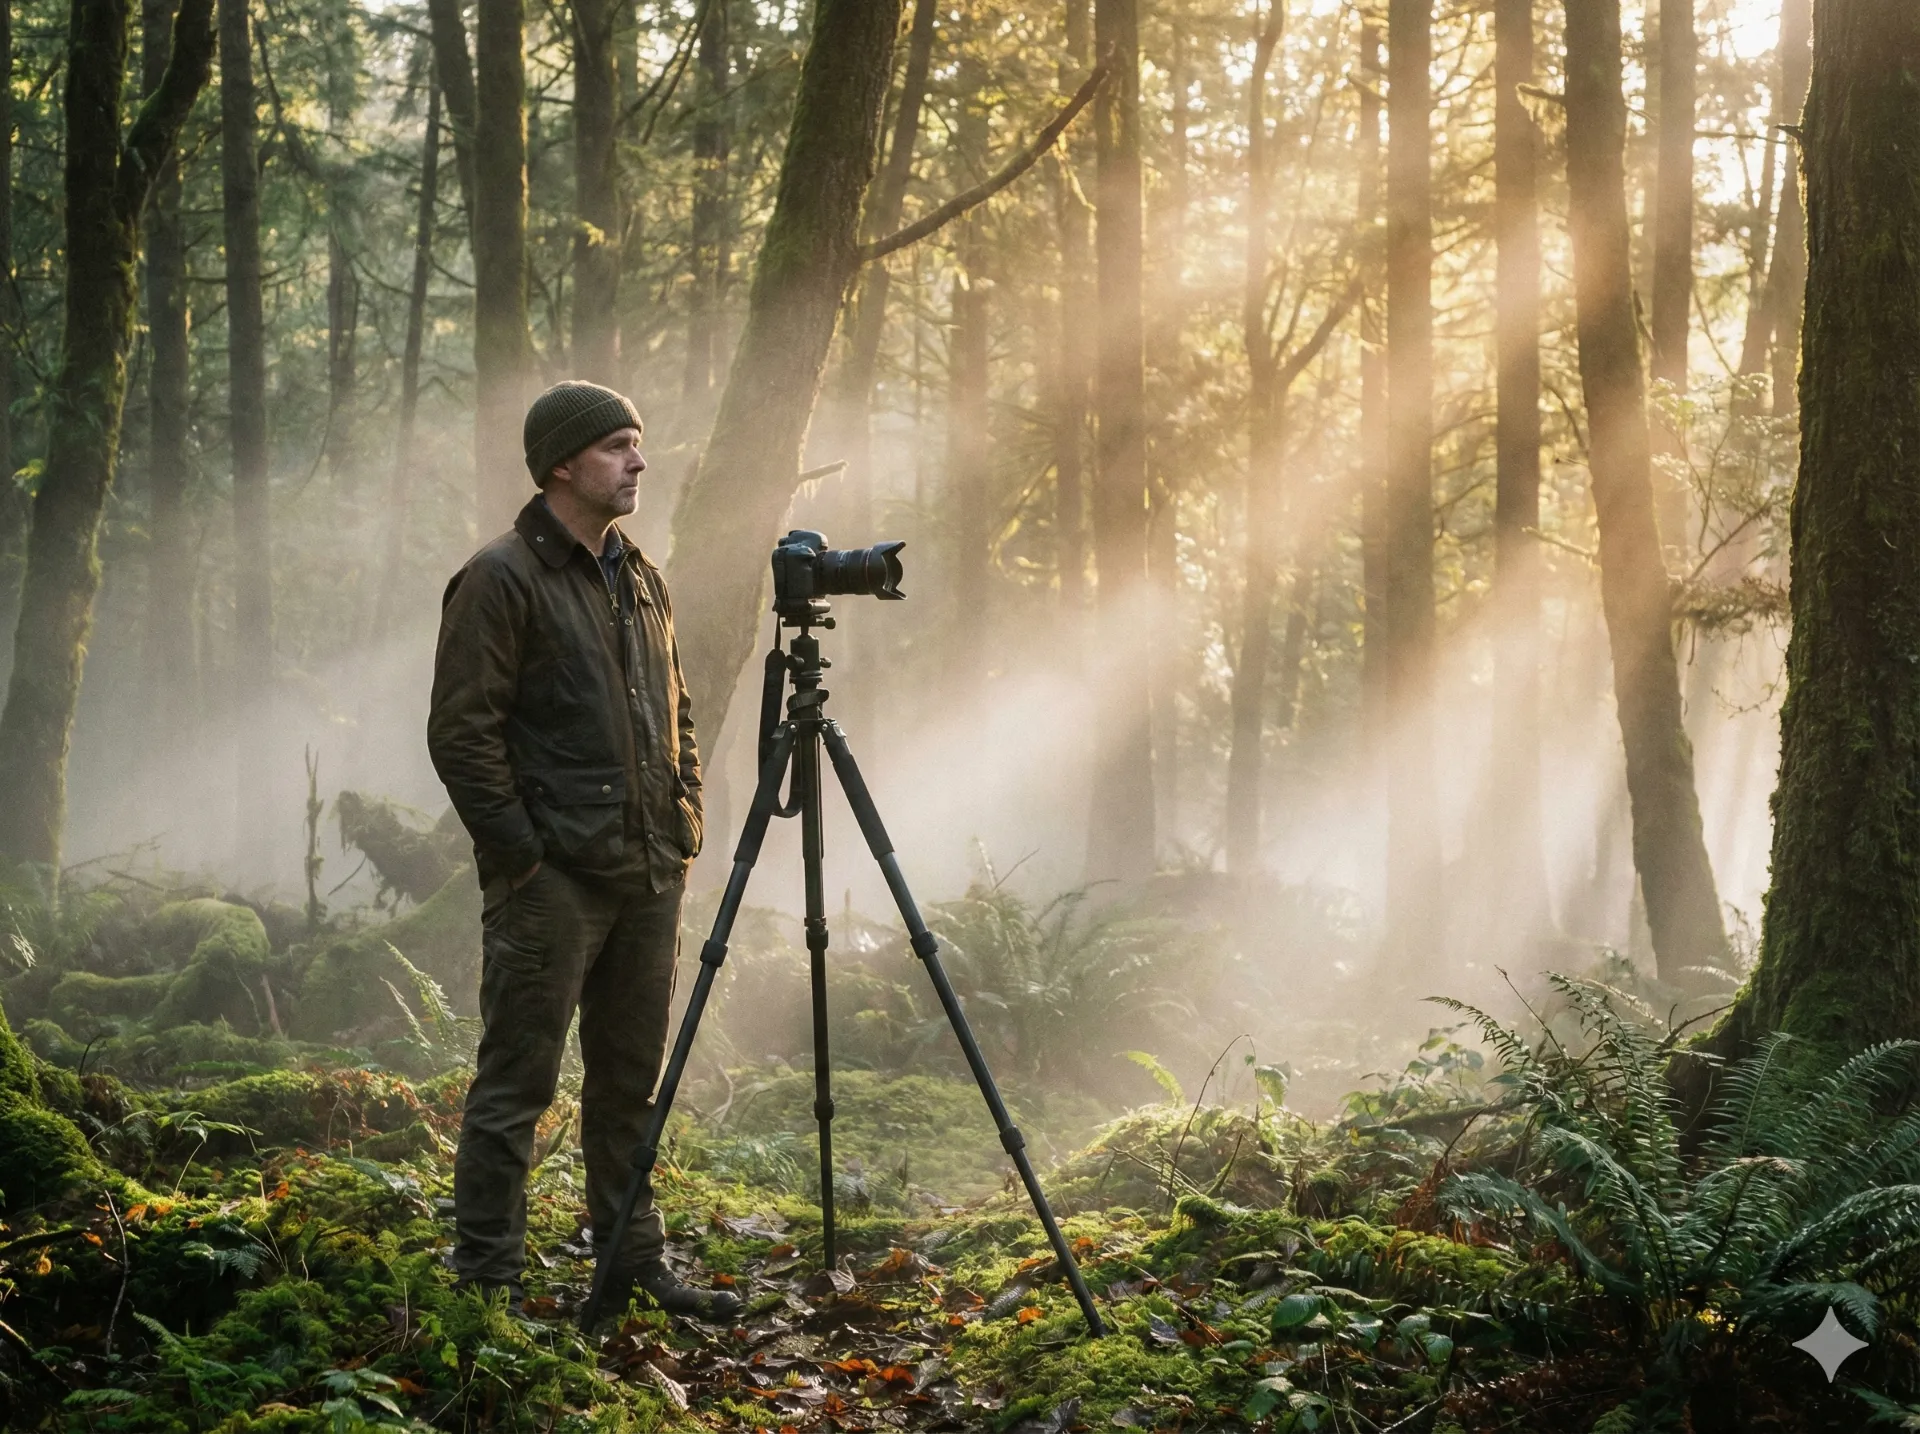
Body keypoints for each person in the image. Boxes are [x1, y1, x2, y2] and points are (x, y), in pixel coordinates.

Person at [427, 380, 742, 1321]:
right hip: (552, 881)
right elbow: (461, 735)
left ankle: (631, 1265)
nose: (639, 462)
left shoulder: (641, 577)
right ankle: (485, 1289)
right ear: (563, 462)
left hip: (650, 871)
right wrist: (523, 857)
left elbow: (678, 712)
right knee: (515, 1085)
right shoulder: (500, 578)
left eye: (637, 445)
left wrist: (684, 813)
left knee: (628, 1086)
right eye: (617, 447)